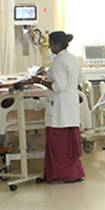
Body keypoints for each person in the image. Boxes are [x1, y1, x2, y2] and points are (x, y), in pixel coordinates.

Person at [34, 31, 85, 184]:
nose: (49, 47)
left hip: (61, 105)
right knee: (70, 141)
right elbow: (79, 79)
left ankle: (61, 175)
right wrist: (48, 75)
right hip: (70, 102)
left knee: (60, 143)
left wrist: (40, 81)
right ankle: (73, 173)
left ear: (57, 44)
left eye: (50, 44)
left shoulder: (58, 62)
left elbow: (58, 86)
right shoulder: (71, 59)